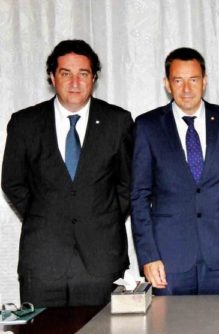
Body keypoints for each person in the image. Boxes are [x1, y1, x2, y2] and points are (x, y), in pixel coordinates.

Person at [1, 40, 133, 307]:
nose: (75, 82)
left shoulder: (117, 121)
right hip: (43, 262)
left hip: (102, 259)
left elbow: (129, 184)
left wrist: (99, 215)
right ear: (52, 77)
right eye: (65, 73)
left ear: (94, 78)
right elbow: (12, 182)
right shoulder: (25, 123)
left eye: (83, 73)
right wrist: (45, 213)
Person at [131, 47, 219, 295]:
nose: (187, 89)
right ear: (167, 84)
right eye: (178, 80)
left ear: (204, 82)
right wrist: (148, 256)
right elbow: (139, 196)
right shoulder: (147, 126)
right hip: (168, 261)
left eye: (193, 80)